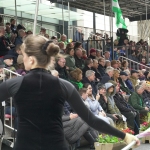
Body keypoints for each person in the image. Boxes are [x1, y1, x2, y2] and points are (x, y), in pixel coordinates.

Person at [0, 35, 140, 150]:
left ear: (30, 59)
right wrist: (124, 136)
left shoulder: (14, 84)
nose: (22, 59)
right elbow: (91, 119)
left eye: (23, 55)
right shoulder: (64, 85)